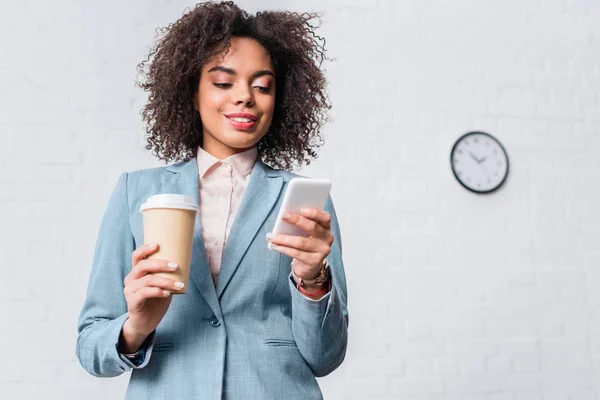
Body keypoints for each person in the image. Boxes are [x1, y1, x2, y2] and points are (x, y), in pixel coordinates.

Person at [76, 1, 349, 399]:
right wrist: (136, 325)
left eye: (263, 85)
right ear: (191, 92)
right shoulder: (136, 191)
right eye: (223, 83)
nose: (245, 98)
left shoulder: (305, 203)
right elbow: (90, 347)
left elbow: (326, 356)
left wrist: (313, 281)